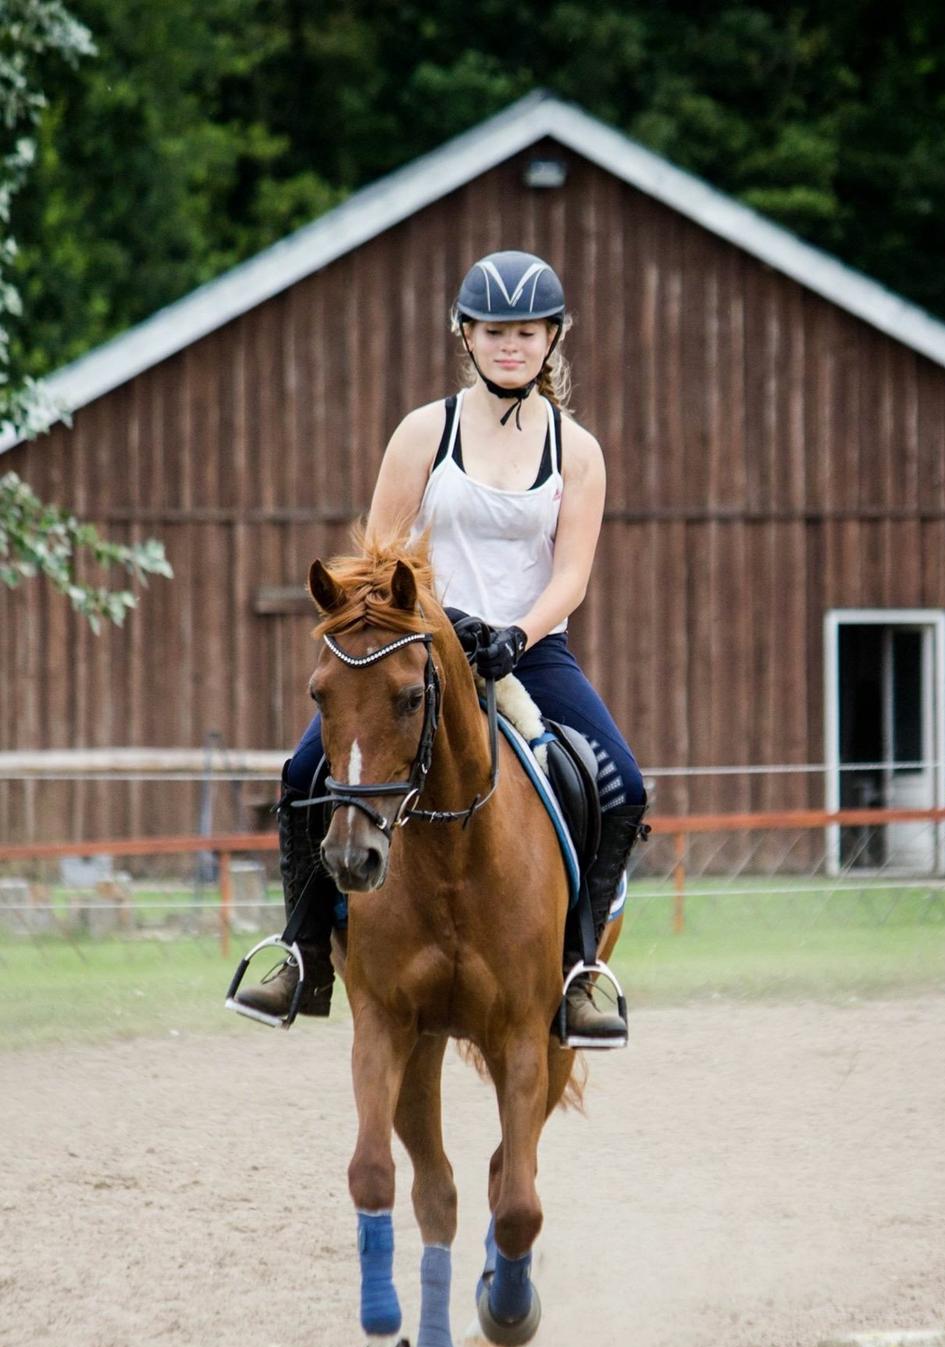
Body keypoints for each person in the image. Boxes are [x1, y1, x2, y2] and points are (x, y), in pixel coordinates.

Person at [236, 250, 648, 1043]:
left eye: (528, 333)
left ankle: (579, 970)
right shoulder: (427, 431)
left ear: (554, 339)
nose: (511, 346)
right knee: (300, 773)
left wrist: (515, 633)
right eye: (495, 331)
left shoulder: (579, 450)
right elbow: (380, 557)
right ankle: (301, 953)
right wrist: (439, 620)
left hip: (529, 651)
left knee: (622, 784)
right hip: (417, 648)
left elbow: (572, 575)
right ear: (466, 333)